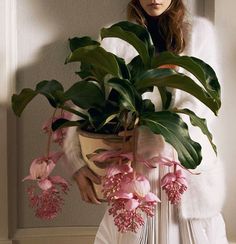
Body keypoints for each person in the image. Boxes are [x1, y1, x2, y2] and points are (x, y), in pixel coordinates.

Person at [63, 0, 228, 243]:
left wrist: (151, 137)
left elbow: (202, 105)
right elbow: (86, 98)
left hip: (184, 175)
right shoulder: (114, 37)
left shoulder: (198, 32)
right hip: (134, 176)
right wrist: (76, 161)